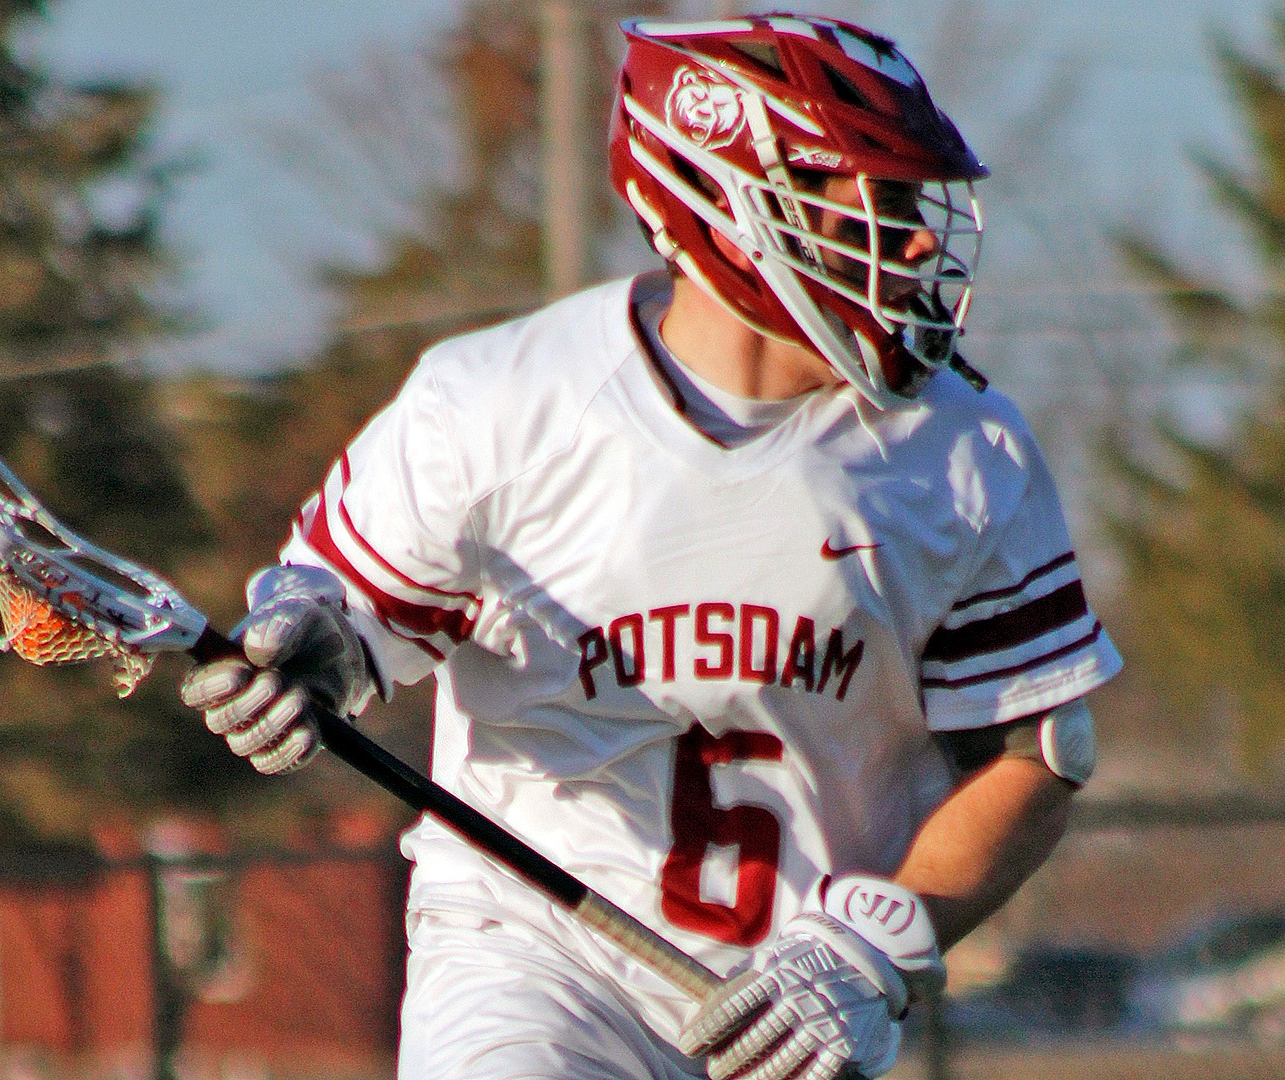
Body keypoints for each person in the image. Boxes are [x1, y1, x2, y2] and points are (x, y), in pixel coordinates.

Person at [182, 13, 1119, 1080]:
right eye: (882, 200)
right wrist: (305, 655)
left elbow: (1036, 759)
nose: (916, 242)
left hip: (791, 1010)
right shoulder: (497, 404)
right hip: (534, 969)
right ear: (729, 206)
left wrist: (865, 955)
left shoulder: (962, 452)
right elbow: (341, 612)